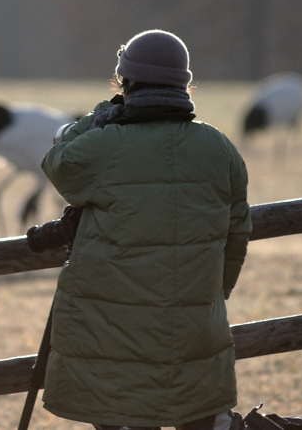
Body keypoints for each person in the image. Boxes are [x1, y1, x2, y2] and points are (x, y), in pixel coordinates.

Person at [38, 29, 251, 430]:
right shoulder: (218, 147)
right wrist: (208, 295)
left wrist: (101, 114)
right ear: (182, 84)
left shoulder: (106, 144)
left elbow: (57, 160)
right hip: (195, 331)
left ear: (127, 82)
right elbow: (237, 233)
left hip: (113, 339)